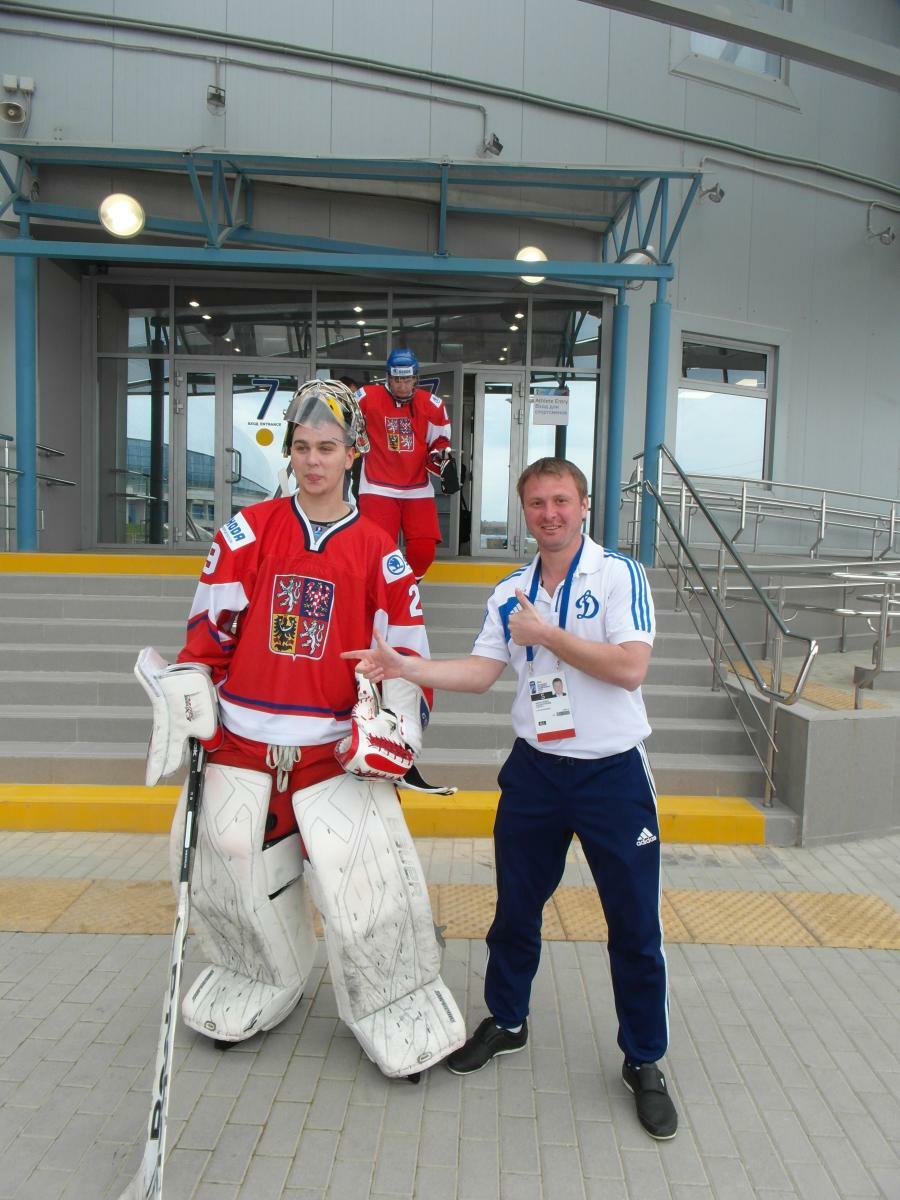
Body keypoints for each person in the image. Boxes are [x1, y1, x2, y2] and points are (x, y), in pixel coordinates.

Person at [134, 379, 465, 1079]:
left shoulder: (381, 554)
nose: (314, 460)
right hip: (242, 745)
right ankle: (256, 974)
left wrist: (398, 731)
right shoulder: (246, 533)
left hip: (331, 754)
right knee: (227, 875)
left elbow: (408, 662)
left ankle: (395, 998)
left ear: (354, 454)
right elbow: (207, 635)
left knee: (367, 888)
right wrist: (188, 697)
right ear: (289, 452)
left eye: (328, 447)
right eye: (303, 447)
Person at [342, 456, 677, 1138]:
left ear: (584, 506)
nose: (549, 513)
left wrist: (547, 635)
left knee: (634, 926)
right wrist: (405, 666)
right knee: (515, 909)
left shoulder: (619, 575)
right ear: (525, 512)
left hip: (612, 774)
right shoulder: (509, 590)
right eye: (537, 503)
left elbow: (630, 668)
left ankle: (644, 1058)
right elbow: (480, 672)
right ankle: (508, 1019)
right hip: (536, 772)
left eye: (561, 501)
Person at [354, 348, 453, 580]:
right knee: (377, 550)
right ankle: (382, 590)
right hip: (376, 486)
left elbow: (439, 441)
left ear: (415, 378)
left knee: (423, 551)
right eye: (397, 380)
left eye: (407, 380)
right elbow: (345, 426)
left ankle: (407, 587)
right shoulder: (366, 398)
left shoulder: (432, 405)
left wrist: (442, 458)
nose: (402, 386)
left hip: (417, 487)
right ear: (388, 378)